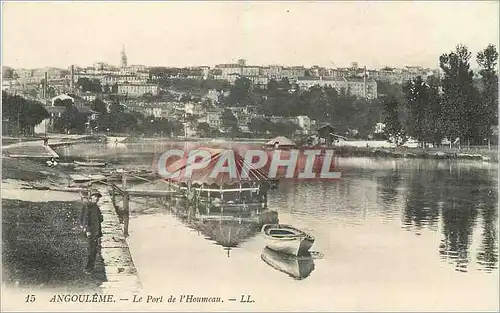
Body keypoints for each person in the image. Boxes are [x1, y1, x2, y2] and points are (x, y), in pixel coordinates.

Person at [81, 190, 104, 274]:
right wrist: (87, 230)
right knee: (91, 251)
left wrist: (100, 217)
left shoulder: (95, 206)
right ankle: (87, 268)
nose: (97, 198)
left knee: (94, 250)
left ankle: (91, 268)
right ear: (91, 197)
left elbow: (99, 219)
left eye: (98, 197)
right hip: (91, 232)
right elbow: (85, 219)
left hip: (96, 232)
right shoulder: (88, 206)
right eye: (95, 196)